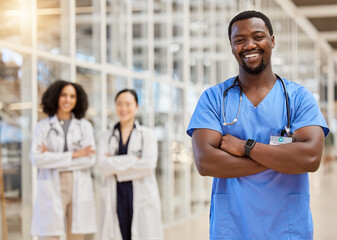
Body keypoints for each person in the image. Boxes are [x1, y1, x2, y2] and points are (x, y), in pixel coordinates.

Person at [187, 10, 329, 240]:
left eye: (258, 36)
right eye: (239, 40)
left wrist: (247, 148)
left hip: (288, 229)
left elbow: (311, 158)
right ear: (232, 47)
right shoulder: (214, 98)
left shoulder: (299, 98)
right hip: (232, 228)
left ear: (272, 41)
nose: (249, 45)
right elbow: (206, 162)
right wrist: (280, 158)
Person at [30, 80, 97, 240]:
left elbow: (89, 160)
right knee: (49, 235)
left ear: (78, 100)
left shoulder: (85, 126)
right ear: (55, 97)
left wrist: (52, 158)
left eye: (72, 96)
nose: (68, 100)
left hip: (78, 183)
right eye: (64, 95)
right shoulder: (43, 126)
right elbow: (37, 159)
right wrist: (74, 155)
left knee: (76, 235)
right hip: (51, 185)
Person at [97, 89, 163, 240]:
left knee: (140, 232)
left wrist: (114, 165)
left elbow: (148, 165)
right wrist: (134, 159)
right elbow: (102, 165)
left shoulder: (147, 135)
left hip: (140, 194)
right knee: (118, 230)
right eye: (119, 104)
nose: (123, 109)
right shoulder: (105, 136)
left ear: (136, 107)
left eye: (128, 104)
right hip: (115, 193)